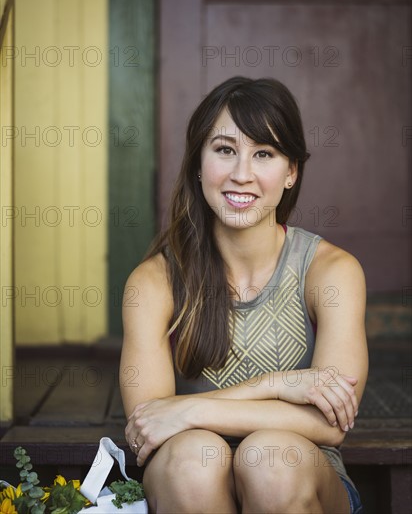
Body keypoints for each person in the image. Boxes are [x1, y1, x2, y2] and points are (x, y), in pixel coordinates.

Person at [120, 76, 368, 514]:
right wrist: (279, 385)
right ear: (199, 162)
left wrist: (188, 411)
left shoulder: (331, 272)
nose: (241, 174)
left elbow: (330, 425)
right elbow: (148, 420)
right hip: (186, 470)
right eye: (224, 149)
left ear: (291, 171)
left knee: (267, 460)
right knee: (194, 459)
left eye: (264, 154)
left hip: (301, 473)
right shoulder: (154, 282)